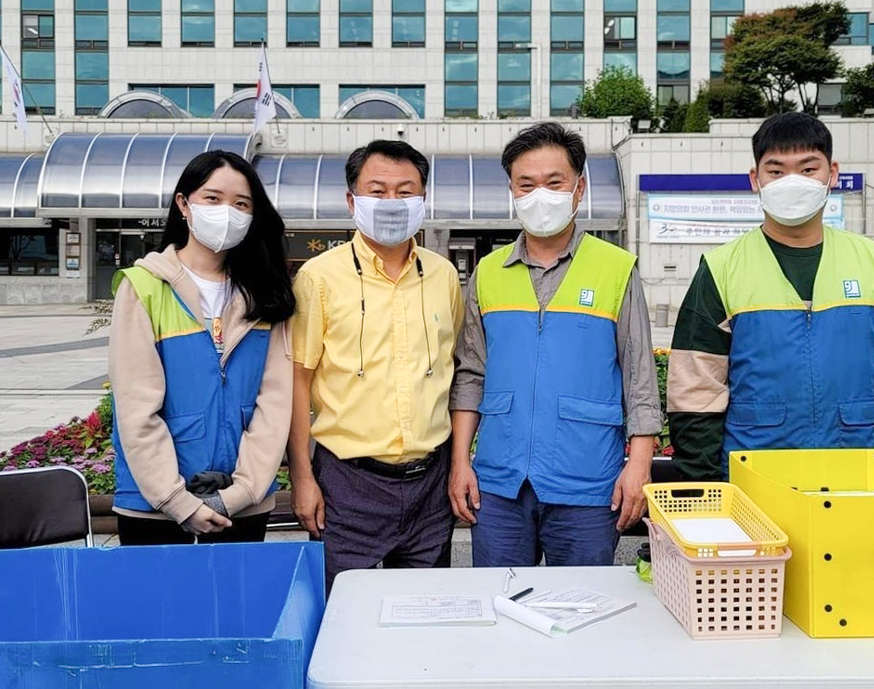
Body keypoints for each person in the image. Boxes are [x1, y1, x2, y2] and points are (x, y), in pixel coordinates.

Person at [668, 112, 874, 480]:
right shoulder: (722, 268)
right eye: (776, 171)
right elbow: (695, 393)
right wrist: (703, 488)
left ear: (833, 174)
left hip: (857, 477)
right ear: (756, 179)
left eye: (808, 169)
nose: (792, 182)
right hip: (755, 480)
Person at [449, 122, 662, 568]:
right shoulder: (487, 272)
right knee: (501, 606)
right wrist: (460, 462)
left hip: (587, 480)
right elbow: (470, 374)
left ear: (579, 189)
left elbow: (641, 378)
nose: (539, 195)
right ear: (512, 191)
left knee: (583, 611)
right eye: (526, 184)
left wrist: (638, 465)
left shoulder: (616, 269)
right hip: (500, 482)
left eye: (554, 182)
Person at [290, 140, 463, 592]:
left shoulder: (444, 276)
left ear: (423, 200)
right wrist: (303, 478)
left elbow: (456, 366)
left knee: (423, 617)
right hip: (349, 484)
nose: (392, 203)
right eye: (377, 191)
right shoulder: (318, 278)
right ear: (352, 201)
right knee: (347, 619)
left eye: (406, 192)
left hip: (430, 482)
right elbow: (298, 381)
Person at [109, 150, 295, 545]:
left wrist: (242, 492)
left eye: (241, 203)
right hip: (153, 508)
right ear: (183, 204)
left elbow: (276, 403)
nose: (227, 212)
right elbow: (136, 409)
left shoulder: (266, 294)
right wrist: (178, 502)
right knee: (159, 608)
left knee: (235, 607)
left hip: (242, 504)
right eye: (212, 198)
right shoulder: (143, 287)